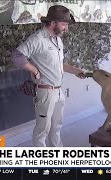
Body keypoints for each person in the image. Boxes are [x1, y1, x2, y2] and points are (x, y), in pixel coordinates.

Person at [11, 5, 86, 147]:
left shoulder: (58, 39)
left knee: (56, 127)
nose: (66, 28)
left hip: (58, 91)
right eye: (64, 24)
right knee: (42, 131)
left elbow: (59, 64)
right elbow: (17, 56)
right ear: (53, 23)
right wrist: (34, 70)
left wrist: (76, 71)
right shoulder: (37, 39)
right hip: (45, 93)